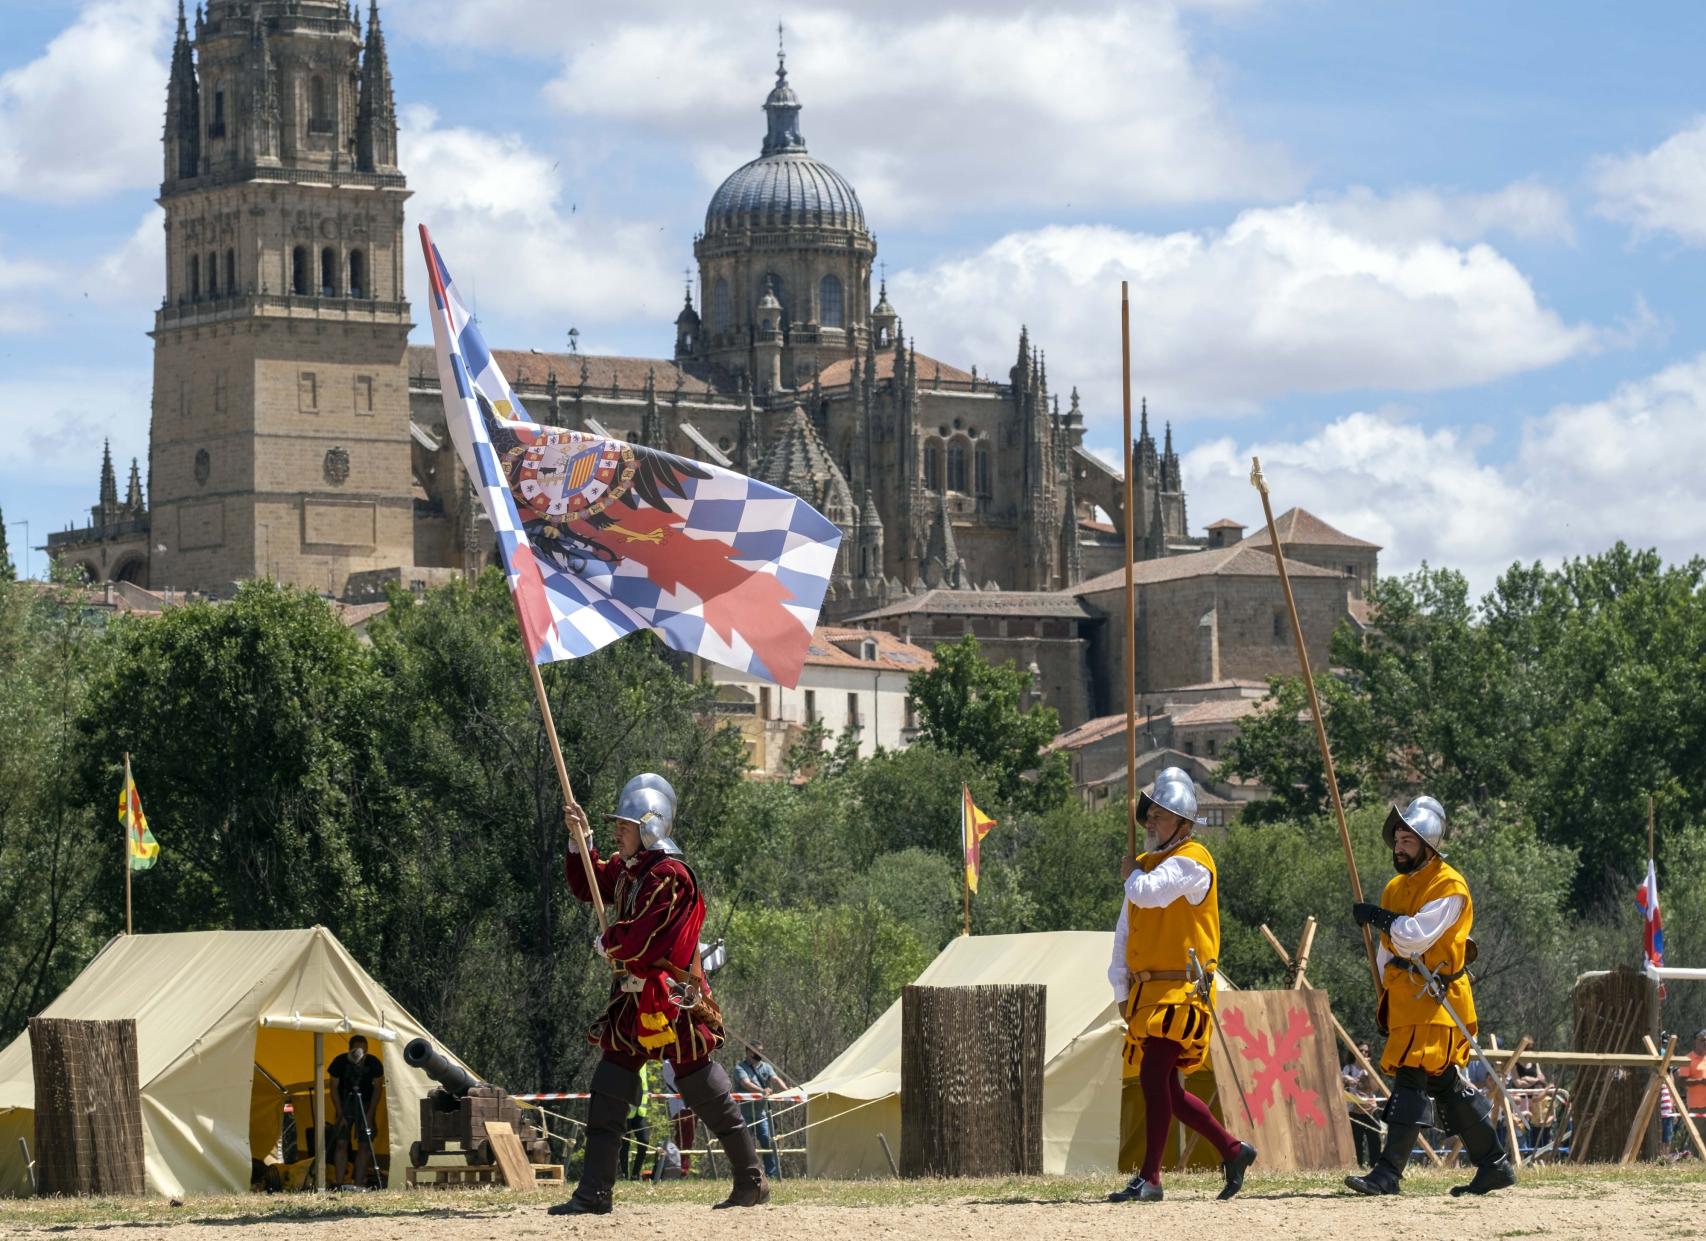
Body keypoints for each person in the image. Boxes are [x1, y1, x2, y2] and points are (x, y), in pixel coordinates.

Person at [549, 773, 768, 1216]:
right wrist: (580, 840)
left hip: (671, 1000)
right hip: (632, 1001)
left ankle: (751, 1181)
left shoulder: (670, 877)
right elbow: (589, 885)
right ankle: (594, 1192)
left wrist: (610, 941)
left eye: (625, 826)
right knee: (609, 1088)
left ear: (650, 828)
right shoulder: (630, 870)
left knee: (702, 1087)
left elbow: (645, 940)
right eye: (616, 826)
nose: (618, 833)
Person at [1345, 796, 1515, 1197]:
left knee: (1411, 1076)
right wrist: (1385, 989)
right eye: (1397, 840)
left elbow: (1413, 938)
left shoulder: (1449, 886)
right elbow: (1388, 951)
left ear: (1428, 844)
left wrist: (1378, 917)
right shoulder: (1395, 887)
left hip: (1437, 997)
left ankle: (1387, 1173)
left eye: (1408, 840)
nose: (1399, 847)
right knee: (1444, 1083)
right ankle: (1494, 1164)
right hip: (1407, 997)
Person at [1106, 768, 1257, 1204]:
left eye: (1161, 814)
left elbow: (1149, 893)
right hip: (1149, 995)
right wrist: (1121, 990)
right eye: (1150, 814)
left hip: (1182, 994)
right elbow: (1125, 932)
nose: (1151, 821)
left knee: (1154, 1077)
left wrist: (1130, 874)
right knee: (1168, 1089)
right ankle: (1233, 1150)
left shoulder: (1193, 861)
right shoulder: (1145, 868)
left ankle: (1151, 1178)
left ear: (1184, 823)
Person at [326, 1035, 384, 1190]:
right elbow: (333, 1088)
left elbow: (378, 1088)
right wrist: (340, 1113)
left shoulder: (373, 1063)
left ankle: (358, 1184)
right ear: (349, 1050)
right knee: (341, 1142)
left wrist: (370, 1114)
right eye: (357, 1051)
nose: (361, 1055)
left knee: (365, 1144)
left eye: (364, 1051)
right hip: (345, 1102)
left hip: (365, 1104)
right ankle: (339, 1183)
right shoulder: (339, 1062)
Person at [732, 1043, 788, 1180]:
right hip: (744, 1114)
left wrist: (787, 1091)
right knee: (745, 1146)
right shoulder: (740, 1068)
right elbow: (745, 1083)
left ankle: (771, 1175)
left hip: (761, 1114)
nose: (760, 1053)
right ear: (748, 1052)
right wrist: (762, 1091)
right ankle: (747, 1175)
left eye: (761, 1051)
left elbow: (775, 1079)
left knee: (768, 1143)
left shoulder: (766, 1067)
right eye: (757, 1051)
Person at [659, 1059, 697, 1176]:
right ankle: (680, 1167)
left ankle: (682, 1167)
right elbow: (681, 1080)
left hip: (691, 1104)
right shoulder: (668, 1063)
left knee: (688, 1138)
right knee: (683, 1137)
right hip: (679, 1106)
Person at [623, 1061, 655, 1181]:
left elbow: (643, 1083)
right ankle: (624, 1175)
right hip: (625, 1111)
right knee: (624, 1144)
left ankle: (635, 1175)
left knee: (644, 1141)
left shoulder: (643, 1062)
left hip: (640, 1111)